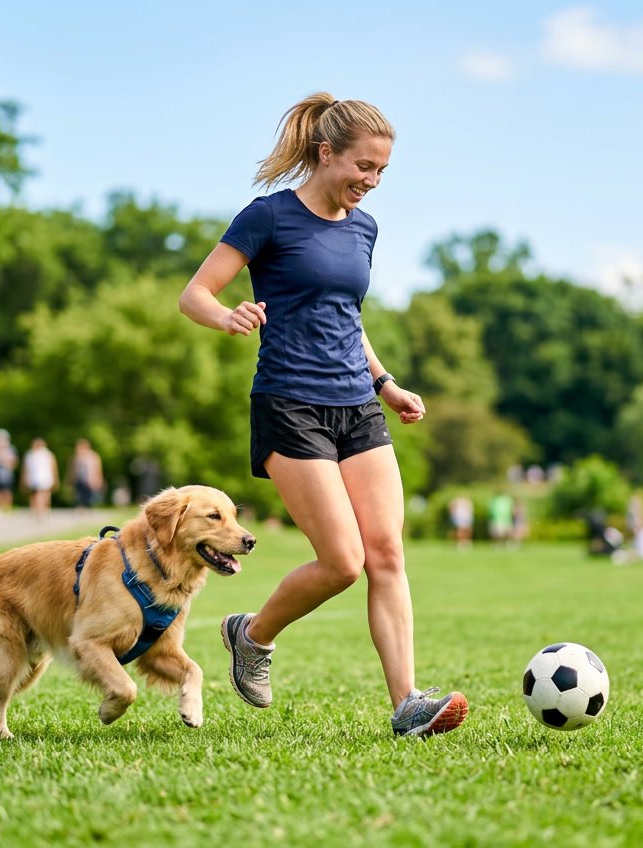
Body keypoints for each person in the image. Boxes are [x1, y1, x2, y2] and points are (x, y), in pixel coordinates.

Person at [177, 92, 466, 737]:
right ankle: (252, 635)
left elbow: (347, 319)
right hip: (289, 403)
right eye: (363, 166)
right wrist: (227, 315)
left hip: (357, 405)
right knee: (342, 562)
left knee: (387, 553)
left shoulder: (365, 229)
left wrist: (386, 383)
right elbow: (194, 292)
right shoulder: (269, 218)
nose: (371, 181)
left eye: (382, 172)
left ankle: (407, 703)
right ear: (325, 152)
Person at [21, 437, 59, 520]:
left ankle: (41, 511)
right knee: (37, 495)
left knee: (42, 495)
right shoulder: (30, 454)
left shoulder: (46, 454)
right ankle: (39, 511)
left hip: (44, 478)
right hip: (35, 478)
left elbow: (53, 467)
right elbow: (26, 468)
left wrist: (55, 479)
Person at [68, 438, 106, 512]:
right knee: (79, 494)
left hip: (89, 480)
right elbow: (72, 469)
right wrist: (70, 478)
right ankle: (82, 508)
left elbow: (98, 469)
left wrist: (99, 479)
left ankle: (85, 508)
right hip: (79, 479)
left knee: (87, 495)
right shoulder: (76, 457)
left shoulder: (93, 456)